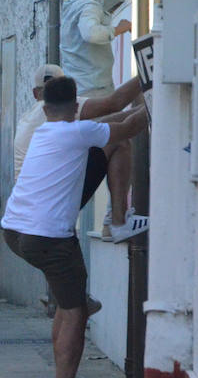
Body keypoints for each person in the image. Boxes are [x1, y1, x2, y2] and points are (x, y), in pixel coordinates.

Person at [1, 75, 149, 378]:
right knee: (76, 313)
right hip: (48, 239)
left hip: (15, 231)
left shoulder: (46, 132)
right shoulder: (77, 133)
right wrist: (159, 90)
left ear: (45, 105)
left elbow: (112, 119)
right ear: (77, 104)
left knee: (71, 309)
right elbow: (128, 124)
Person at [14, 63, 146, 243]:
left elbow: (110, 122)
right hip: (52, 204)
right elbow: (116, 106)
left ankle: (115, 221)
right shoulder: (60, 111)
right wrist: (152, 71)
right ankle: (118, 221)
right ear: (75, 103)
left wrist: (145, 105)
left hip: (29, 210)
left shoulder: (31, 118)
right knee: (117, 139)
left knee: (109, 133)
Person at [60, 0, 137, 237]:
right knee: (121, 143)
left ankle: (111, 219)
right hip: (94, 93)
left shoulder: (76, 4)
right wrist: (119, 29)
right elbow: (91, 32)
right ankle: (114, 221)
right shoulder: (88, 9)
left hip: (83, 93)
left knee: (111, 147)